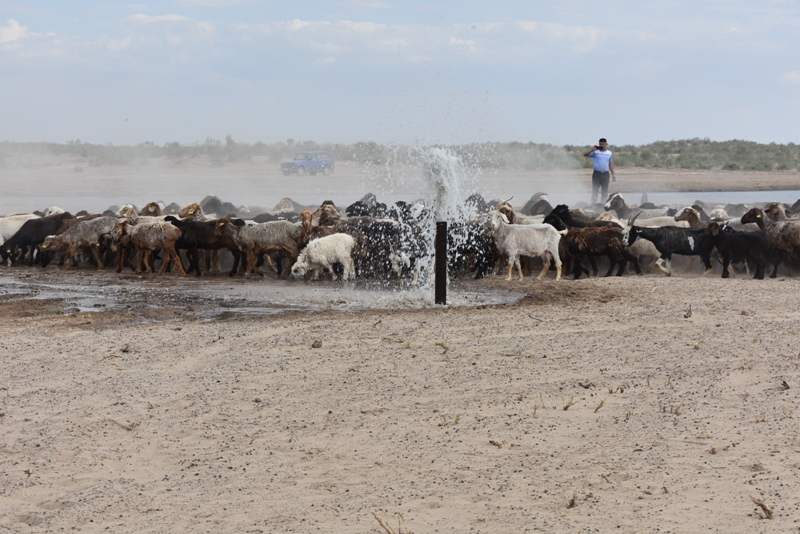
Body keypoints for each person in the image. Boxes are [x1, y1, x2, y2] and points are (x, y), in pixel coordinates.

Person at [583, 138, 616, 205]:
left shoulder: (609, 153)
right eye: (600, 144)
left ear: (606, 144)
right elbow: (585, 154)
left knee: (604, 191)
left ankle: (603, 205)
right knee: (595, 191)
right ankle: (593, 205)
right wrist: (592, 149)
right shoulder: (595, 152)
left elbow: (610, 164)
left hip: (605, 174)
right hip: (596, 174)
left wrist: (613, 174)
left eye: (603, 144)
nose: (601, 145)